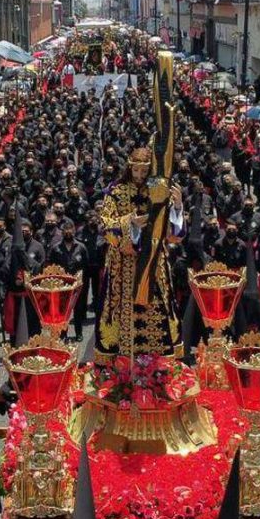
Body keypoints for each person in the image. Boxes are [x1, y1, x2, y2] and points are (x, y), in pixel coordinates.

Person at [94, 147, 185, 361]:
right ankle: (120, 361)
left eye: (144, 172)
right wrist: (130, 224)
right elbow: (105, 224)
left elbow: (174, 236)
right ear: (129, 168)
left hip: (153, 260)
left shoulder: (158, 189)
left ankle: (159, 362)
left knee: (158, 304)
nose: (140, 177)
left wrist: (178, 206)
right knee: (118, 309)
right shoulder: (115, 190)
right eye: (136, 171)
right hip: (122, 263)